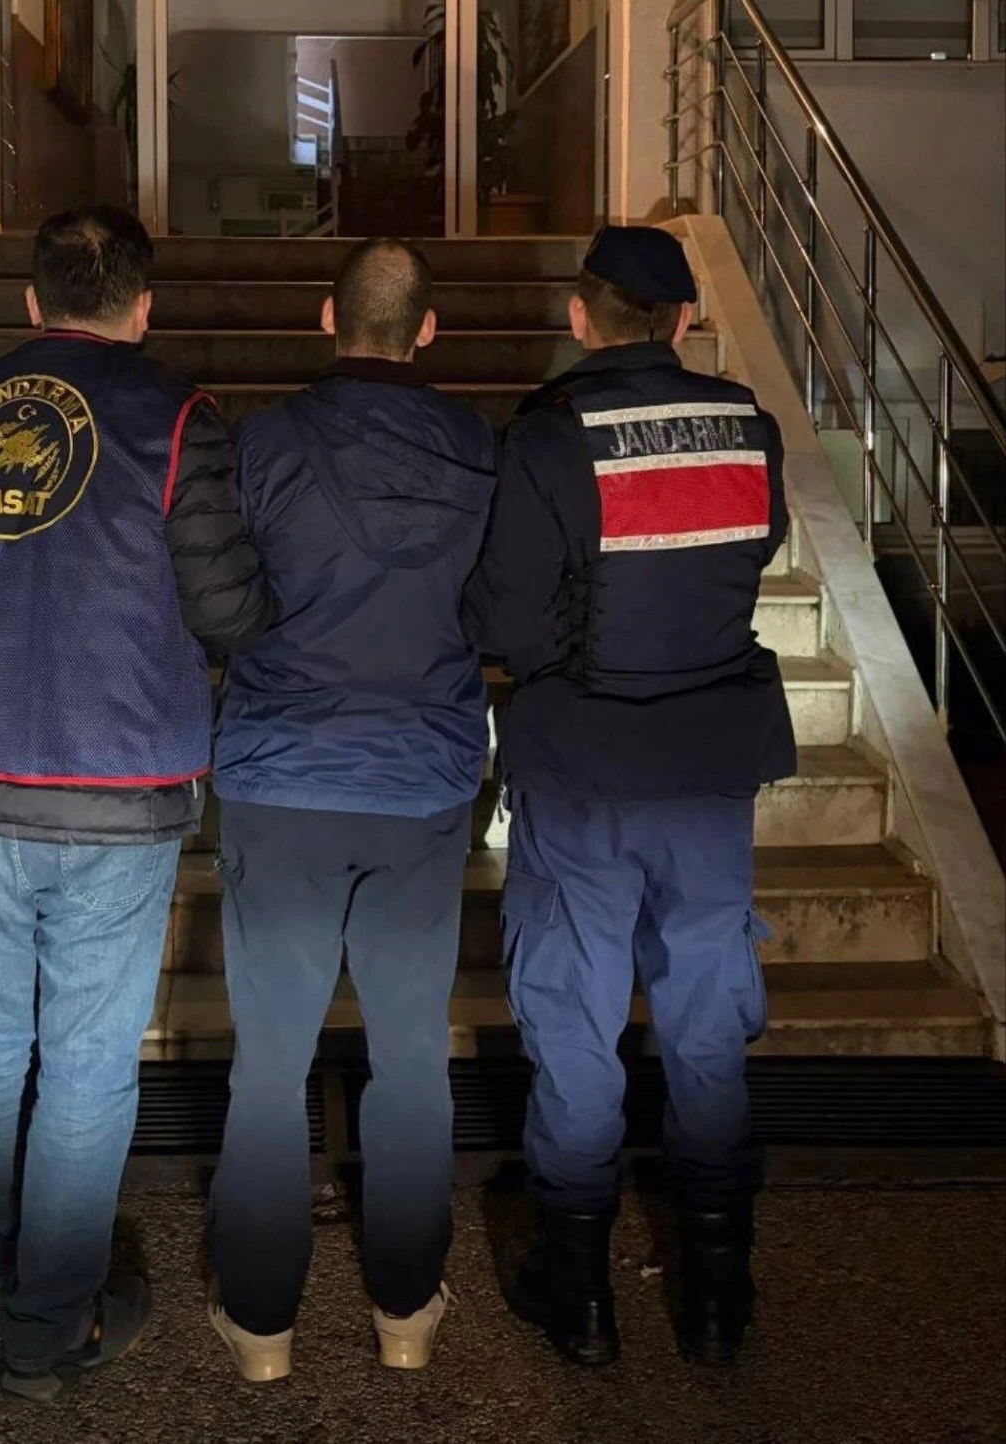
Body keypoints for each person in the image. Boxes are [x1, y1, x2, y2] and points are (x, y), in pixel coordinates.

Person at [0, 204, 274, 1402]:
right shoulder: (176, 419)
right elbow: (227, 610)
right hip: (114, 782)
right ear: (143, 306)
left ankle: (9, 1253)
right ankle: (47, 1326)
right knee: (86, 1064)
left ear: (32, 301)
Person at [464, 226, 796, 1369]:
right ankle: (716, 1296)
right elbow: (754, 552)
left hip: (585, 773)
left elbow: (504, 618)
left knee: (574, 1021)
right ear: (683, 321)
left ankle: (583, 1296)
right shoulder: (749, 426)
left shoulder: (550, 437)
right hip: (709, 774)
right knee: (708, 1027)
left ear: (580, 318)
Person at [206, 238, 497, 1382]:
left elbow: (221, 596)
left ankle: (262, 1326)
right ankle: (406, 1313)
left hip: (282, 776)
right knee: (412, 1058)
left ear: (327, 319)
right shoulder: (478, 446)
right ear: (428, 330)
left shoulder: (263, 442)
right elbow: (496, 604)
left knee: (269, 1065)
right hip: (420, 781)